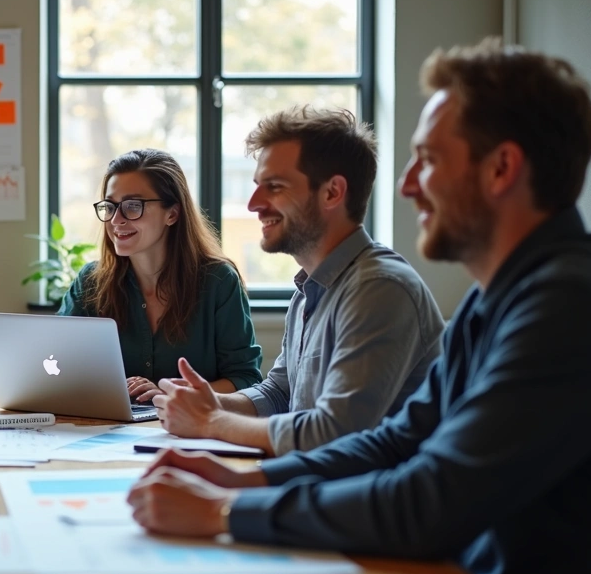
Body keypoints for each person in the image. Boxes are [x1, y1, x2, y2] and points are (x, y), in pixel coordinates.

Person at [128, 38, 591, 574]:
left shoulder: (567, 304)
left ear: (502, 167)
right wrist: (241, 484)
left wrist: (222, 513)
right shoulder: (498, 300)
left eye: (428, 158)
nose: (407, 185)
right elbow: (398, 439)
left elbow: (429, 498)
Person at [153, 109, 444, 456]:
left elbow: (335, 431)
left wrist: (211, 421)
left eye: (274, 187)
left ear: (333, 192)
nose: (254, 204)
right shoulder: (310, 289)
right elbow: (280, 391)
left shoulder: (380, 289)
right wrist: (208, 402)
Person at [58, 148, 263, 402]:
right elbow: (58, 362)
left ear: (172, 214)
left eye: (133, 206)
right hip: (106, 431)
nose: (116, 219)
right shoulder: (91, 281)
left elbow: (246, 378)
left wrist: (173, 394)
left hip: (190, 433)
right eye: (110, 206)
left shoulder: (218, 281)